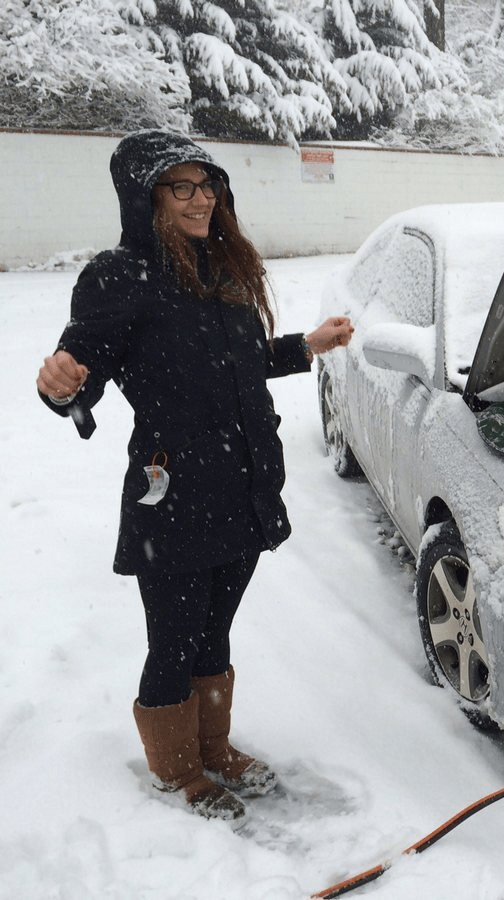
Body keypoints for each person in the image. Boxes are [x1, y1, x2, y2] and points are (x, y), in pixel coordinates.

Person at [35, 130, 355, 821]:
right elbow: (80, 368)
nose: (200, 199)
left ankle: (213, 745)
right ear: (145, 197)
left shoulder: (222, 268)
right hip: (174, 492)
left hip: (243, 484)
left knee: (216, 630)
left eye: (206, 184)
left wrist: (307, 346)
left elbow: (238, 362)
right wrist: (62, 385)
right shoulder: (120, 276)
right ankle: (176, 770)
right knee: (174, 638)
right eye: (180, 186)